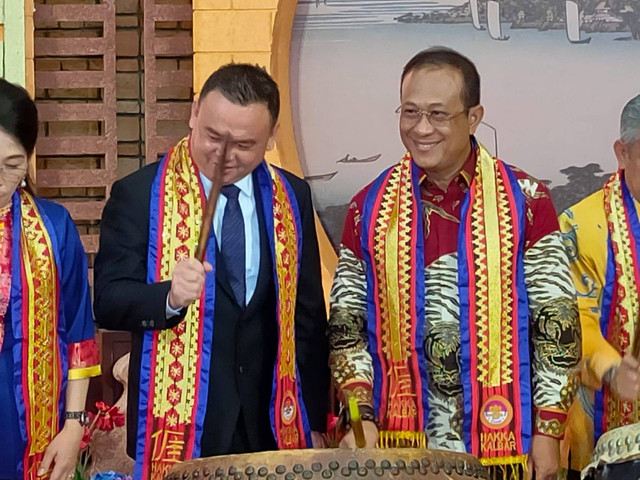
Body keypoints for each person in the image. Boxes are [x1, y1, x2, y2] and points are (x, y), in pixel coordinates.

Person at [328, 47, 581, 479]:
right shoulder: (367, 208)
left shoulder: (527, 202)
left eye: (438, 115)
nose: (421, 128)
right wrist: (358, 416)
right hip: (398, 448)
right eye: (409, 112)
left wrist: (549, 433)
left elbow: (556, 323)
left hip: (508, 448)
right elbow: (347, 330)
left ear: (474, 117)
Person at [93, 63, 329, 480]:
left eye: (243, 144)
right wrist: (167, 298)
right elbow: (108, 301)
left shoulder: (292, 195)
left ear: (272, 137)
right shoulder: (138, 195)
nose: (223, 155)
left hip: (274, 423)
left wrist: (316, 419)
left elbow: (307, 316)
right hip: (185, 428)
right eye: (213, 137)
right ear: (194, 112)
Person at [0, 79, 100, 480]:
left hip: (30, 418)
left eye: (11, 165)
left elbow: (79, 333)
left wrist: (74, 424)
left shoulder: (55, 227)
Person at [559, 94, 640, 476]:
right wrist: (612, 370)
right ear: (622, 153)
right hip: (607, 440)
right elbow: (575, 322)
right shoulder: (580, 224)